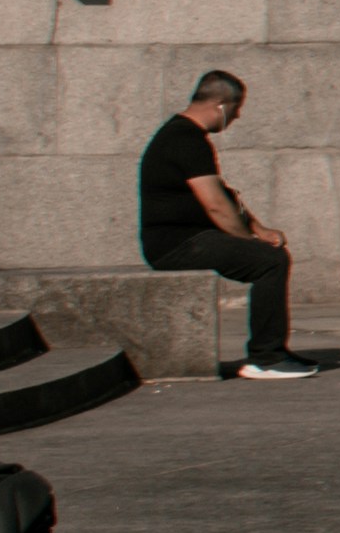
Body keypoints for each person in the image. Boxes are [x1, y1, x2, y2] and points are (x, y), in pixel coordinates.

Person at [134, 66, 322, 377]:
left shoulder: (182, 135)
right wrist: (247, 242)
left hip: (186, 239)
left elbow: (226, 194)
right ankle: (266, 358)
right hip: (176, 245)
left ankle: (272, 352)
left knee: (268, 255)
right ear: (221, 106)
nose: (237, 118)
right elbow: (216, 206)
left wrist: (257, 228)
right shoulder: (186, 139)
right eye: (236, 110)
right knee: (270, 262)